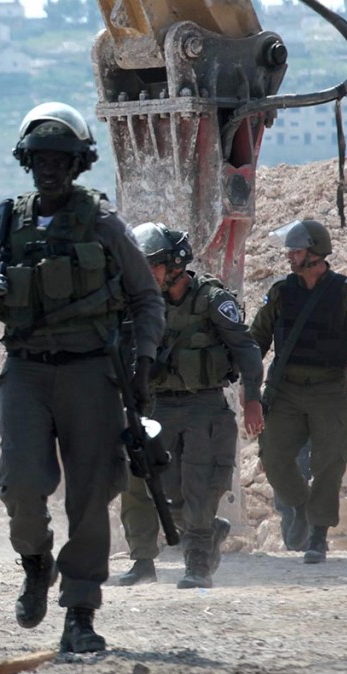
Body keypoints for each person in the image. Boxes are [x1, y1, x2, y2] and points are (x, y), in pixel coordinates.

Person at [0, 102, 164, 653]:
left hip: (91, 372)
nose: (50, 168)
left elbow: (145, 298)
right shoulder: (8, 221)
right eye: (40, 157)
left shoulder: (104, 222)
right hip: (25, 371)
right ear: (26, 160)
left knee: (90, 495)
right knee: (20, 482)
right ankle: (36, 562)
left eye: (61, 158)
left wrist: (143, 365)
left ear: (78, 162)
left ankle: (81, 611)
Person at [116, 223, 264, 589]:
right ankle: (142, 561)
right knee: (139, 478)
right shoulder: (138, 306)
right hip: (156, 405)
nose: (145, 275)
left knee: (198, 484)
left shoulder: (212, 300)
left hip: (205, 406)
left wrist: (253, 399)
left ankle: (198, 563)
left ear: (175, 264)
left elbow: (246, 349)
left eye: (152, 266)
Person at [251, 219, 347, 565]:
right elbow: (257, 338)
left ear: (315, 252)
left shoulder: (346, 293)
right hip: (286, 389)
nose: (290, 255)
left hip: (329, 388)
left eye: (297, 249)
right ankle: (304, 508)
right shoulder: (281, 291)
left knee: (330, 461)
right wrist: (246, 382)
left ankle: (318, 536)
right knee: (273, 458)